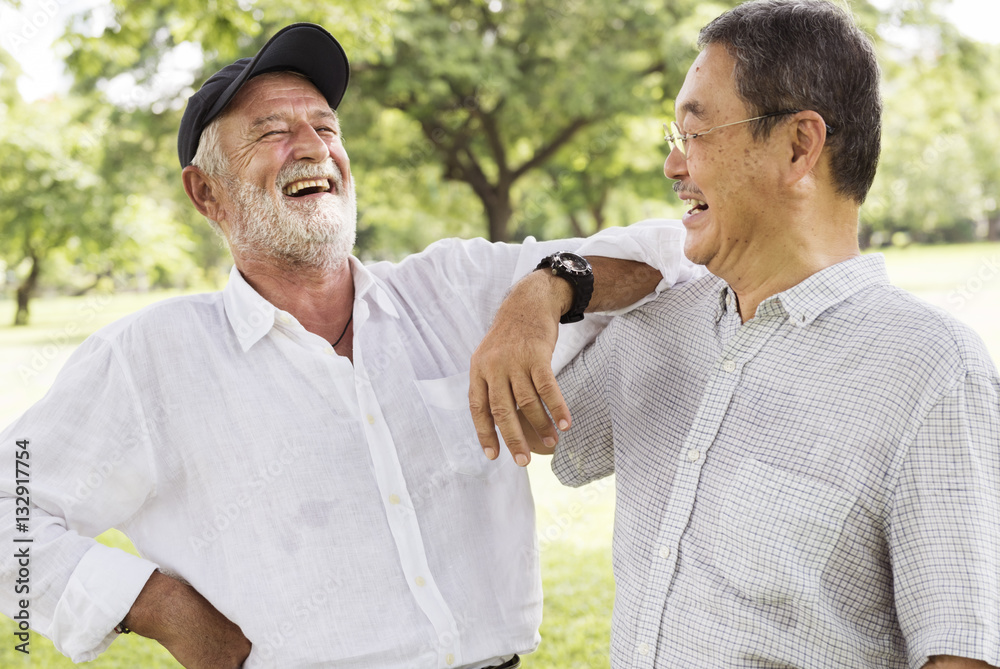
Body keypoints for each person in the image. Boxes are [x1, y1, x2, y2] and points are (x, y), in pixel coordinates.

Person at [0, 23, 700, 669]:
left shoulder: (451, 288)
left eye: (325, 127)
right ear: (206, 193)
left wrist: (546, 289)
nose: (312, 147)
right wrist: (156, 605)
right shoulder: (150, 357)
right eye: (271, 131)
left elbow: (672, 254)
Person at [472, 1, 1000, 668]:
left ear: (798, 146)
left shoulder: (933, 369)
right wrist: (543, 288)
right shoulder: (656, 330)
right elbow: (527, 422)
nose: (672, 164)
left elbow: (962, 651)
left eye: (695, 132)